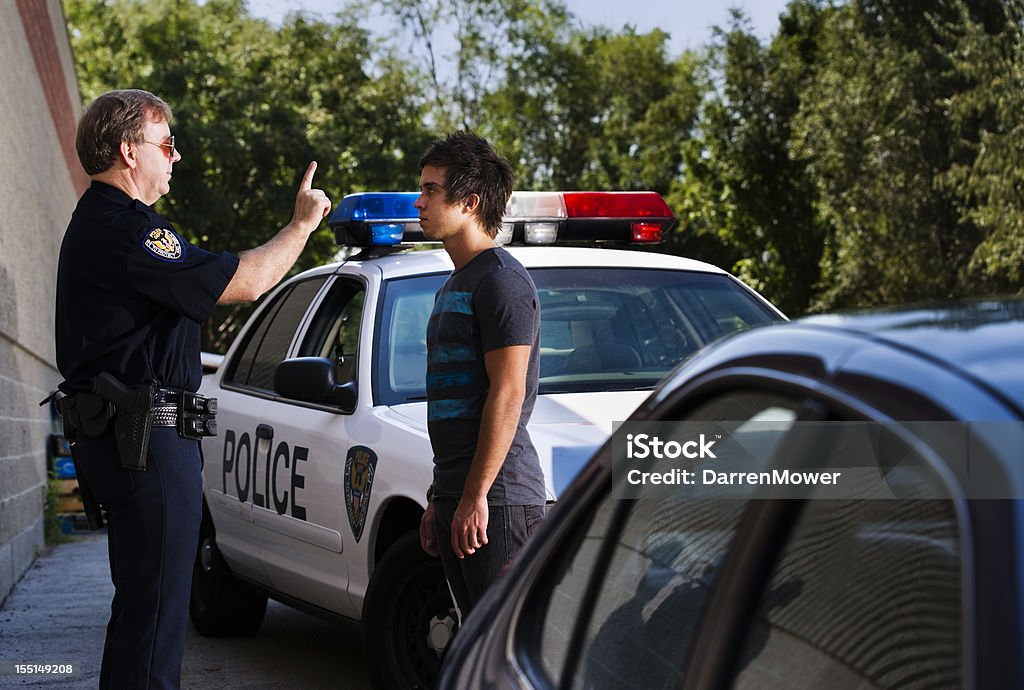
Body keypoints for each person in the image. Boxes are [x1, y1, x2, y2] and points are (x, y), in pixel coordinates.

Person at [53, 89, 330, 689]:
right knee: (153, 623)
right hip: (145, 444)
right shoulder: (129, 231)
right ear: (130, 152)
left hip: (132, 438)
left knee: (144, 614)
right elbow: (247, 281)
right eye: (167, 144)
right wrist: (302, 224)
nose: (175, 157)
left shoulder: (104, 224)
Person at [415, 132, 546, 618]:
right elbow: (457, 407)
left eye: (431, 190)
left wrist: (474, 496)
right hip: (461, 494)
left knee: (499, 652)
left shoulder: (502, 282)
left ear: (469, 203)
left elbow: (508, 395)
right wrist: (441, 497)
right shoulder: (456, 283)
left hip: (501, 501)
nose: (420, 201)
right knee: (473, 644)